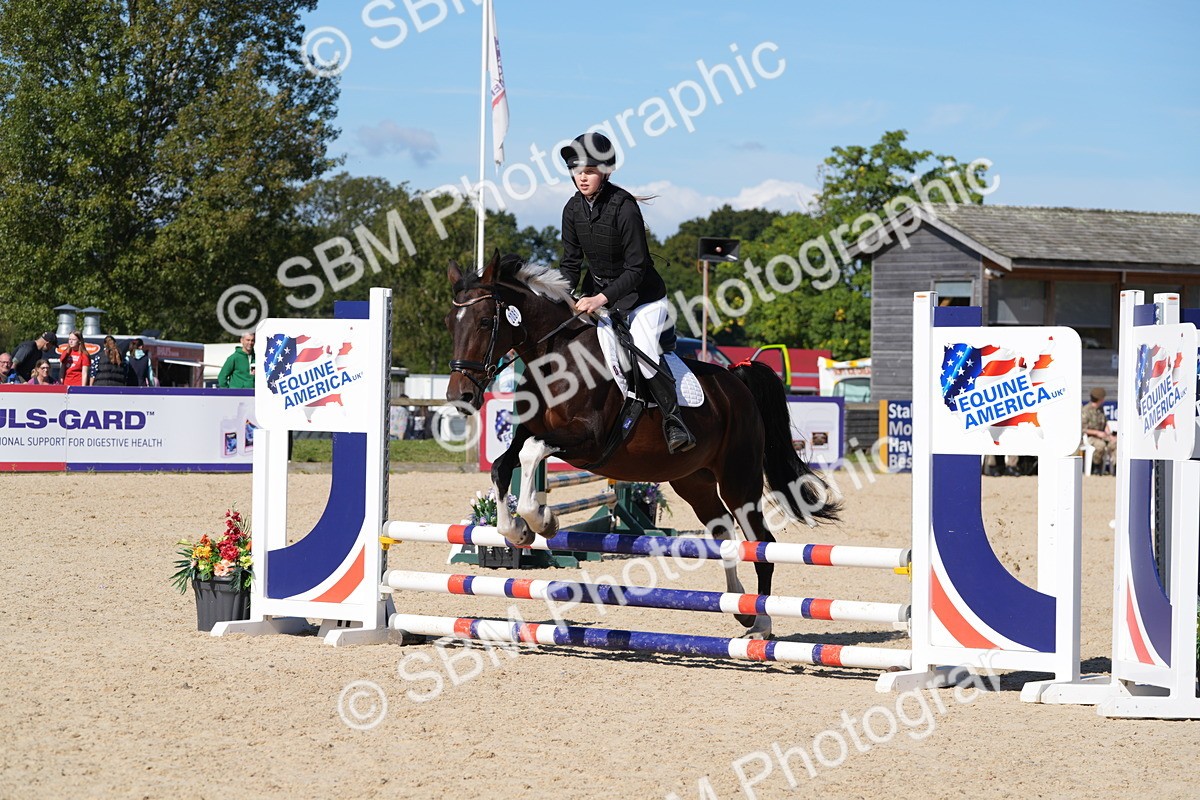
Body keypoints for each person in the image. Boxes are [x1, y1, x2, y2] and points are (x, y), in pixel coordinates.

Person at [557, 131, 695, 454]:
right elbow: (570, 264)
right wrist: (561, 298)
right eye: (576, 170)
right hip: (601, 299)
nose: (581, 177)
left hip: (642, 298)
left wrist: (600, 299)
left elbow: (637, 269)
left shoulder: (625, 208)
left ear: (605, 171)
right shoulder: (572, 210)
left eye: (589, 171)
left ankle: (674, 422)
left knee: (644, 353)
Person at [1082, 387, 1116, 475]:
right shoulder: (1086, 410)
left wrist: (1110, 435)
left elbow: (1105, 423)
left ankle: (1115, 467)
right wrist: (1097, 433)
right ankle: (1096, 468)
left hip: (1102, 436)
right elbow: (1083, 429)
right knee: (1100, 445)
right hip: (1091, 437)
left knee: (1115, 443)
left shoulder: (1100, 409)